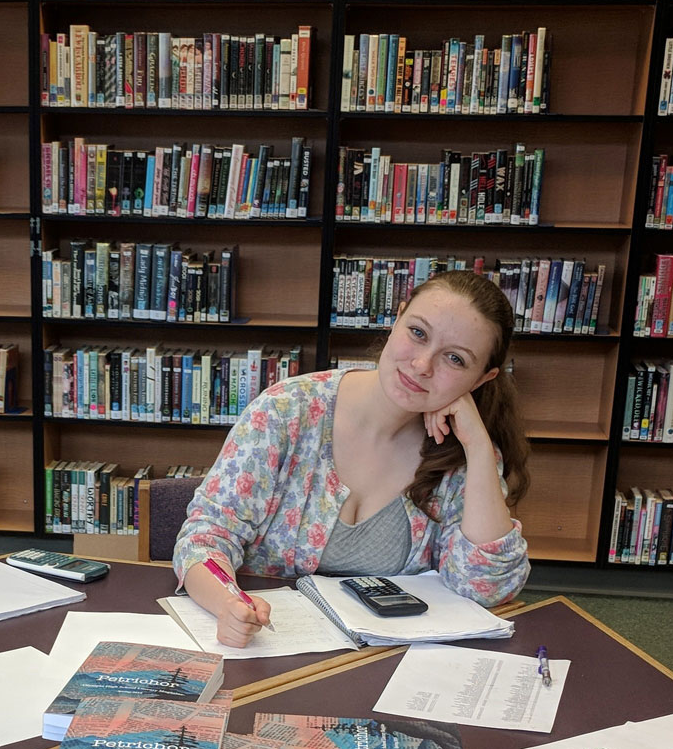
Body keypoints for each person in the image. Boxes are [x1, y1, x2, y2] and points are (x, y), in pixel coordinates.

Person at [174, 267, 531, 645]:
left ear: (481, 379)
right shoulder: (286, 411)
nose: (422, 365)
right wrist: (228, 603)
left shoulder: (465, 455)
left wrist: (477, 445)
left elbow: (486, 588)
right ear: (397, 319)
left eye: (455, 359)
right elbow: (205, 538)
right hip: (269, 646)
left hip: (387, 664)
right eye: (418, 333)